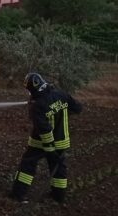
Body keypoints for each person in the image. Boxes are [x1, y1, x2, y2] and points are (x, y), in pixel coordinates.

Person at [11, 72, 82, 203]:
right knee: (58, 167)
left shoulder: (37, 106)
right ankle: (58, 196)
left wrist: (50, 149)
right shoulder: (62, 95)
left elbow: (44, 129)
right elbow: (77, 108)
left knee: (28, 164)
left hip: (40, 143)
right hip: (61, 141)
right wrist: (59, 112)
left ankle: (18, 194)